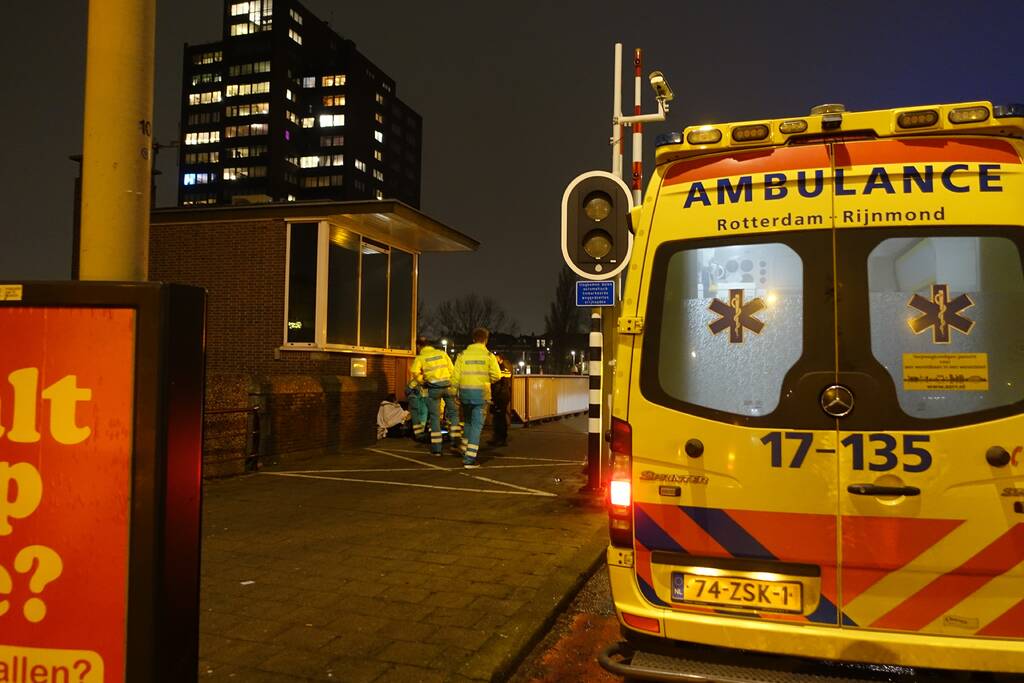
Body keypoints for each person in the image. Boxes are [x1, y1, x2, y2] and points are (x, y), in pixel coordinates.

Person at [452, 327, 501, 468]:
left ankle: (464, 448)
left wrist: (454, 392)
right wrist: (487, 380)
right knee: (476, 427)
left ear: (473, 339)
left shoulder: (462, 355)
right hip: (480, 394)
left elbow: (455, 377)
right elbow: (497, 375)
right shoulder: (489, 356)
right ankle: (469, 459)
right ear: (486, 340)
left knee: (467, 423)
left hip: (465, 393)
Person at [410, 336, 459, 456]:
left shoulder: (421, 357)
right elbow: (452, 370)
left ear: (419, 346)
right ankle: (455, 444)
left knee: (434, 417)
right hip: (448, 387)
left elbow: (414, 372)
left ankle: (437, 449)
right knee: (453, 415)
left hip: (433, 389)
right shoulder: (442, 353)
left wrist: (423, 382)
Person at [488, 355, 513, 447]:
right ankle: (498, 437)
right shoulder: (505, 368)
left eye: (496, 358)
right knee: (498, 417)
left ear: (500, 359)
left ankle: (501, 438)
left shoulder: (501, 369)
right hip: (502, 395)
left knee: (500, 417)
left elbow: (499, 383)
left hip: (500, 396)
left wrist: (494, 396)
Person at [405, 376, 428, 442]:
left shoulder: (428, 381)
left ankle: (420, 435)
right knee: (416, 419)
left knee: (423, 419)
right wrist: (413, 398)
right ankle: (418, 435)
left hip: (424, 402)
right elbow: (407, 391)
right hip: (416, 401)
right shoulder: (415, 381)